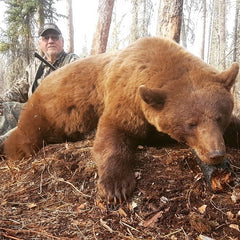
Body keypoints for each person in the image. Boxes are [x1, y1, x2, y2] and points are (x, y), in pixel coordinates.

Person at [0, 23, 79, 145]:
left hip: (57, 117)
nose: (50, 41)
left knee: (17, 133)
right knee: (4, 108)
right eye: (46, 38)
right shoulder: (35, 67)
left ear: (62, 42)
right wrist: (1, 100)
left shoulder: (73, 62)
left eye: (55, 37)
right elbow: (18, 90)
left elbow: (78, 91)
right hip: (32, 112)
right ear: (40, 44)